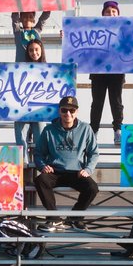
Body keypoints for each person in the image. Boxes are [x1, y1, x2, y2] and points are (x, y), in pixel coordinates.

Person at [34, 96, 100, 231]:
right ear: (59, 111)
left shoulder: (85, 129)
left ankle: (74, 218)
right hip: (55, 171)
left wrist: (88, 169)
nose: (68, 114)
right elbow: (38, 153)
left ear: (77, 111)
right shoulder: (49, 130)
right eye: (64, 110)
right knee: (41, 180)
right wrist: (42, 166)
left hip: (77, 172)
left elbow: (93, 153)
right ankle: (53, 219)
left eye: (72, 110)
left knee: (92, 188)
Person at [89, 0, 125, 145]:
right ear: (103, 14)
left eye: (114, 11)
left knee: (116, 102)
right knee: (97, 102)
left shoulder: (124, 28)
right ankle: (94, 132)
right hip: (98, 71)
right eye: (108, 12)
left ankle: (118, 130)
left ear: (118, 14)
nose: (111, 14)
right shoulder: (94, 27)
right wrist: (66, 35)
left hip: (117, 71)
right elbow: (78, 36)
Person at [15, 38, 49, 150]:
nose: (34, 53)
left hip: (40, 109)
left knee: (40, 138)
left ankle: (40, 165)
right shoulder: (20, 68)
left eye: (36, 49)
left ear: (42, 50)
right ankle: (23, 164)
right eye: (31, 50)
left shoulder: (49, 69)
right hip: (22, 107)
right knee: (21, 138)